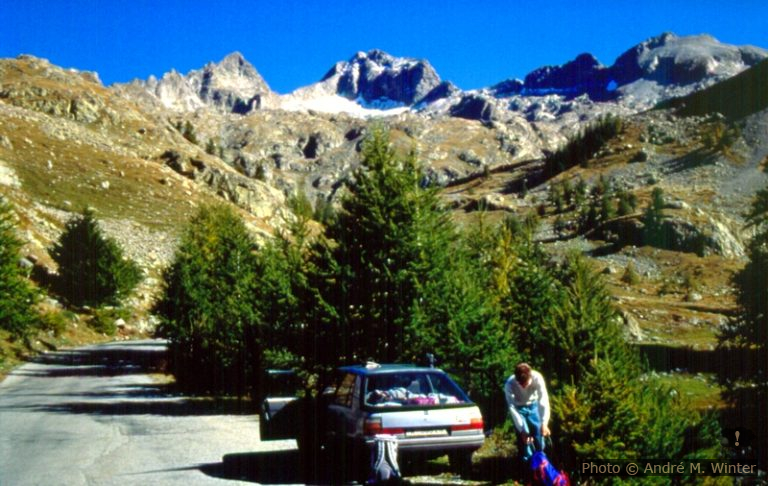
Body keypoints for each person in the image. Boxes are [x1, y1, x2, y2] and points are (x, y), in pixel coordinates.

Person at [504, 362, 551, 462]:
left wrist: (544, 422)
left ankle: (542, 465)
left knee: (539, 436)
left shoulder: (537, 378)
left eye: (526, 383)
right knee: (525, 441)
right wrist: (522, 430)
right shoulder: (509, 384)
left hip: (533, 406)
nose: (523, 386)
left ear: (530, 376)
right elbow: (512, 407)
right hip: (518, 409)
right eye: (521, 384)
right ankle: (528, 466)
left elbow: (543, 400)